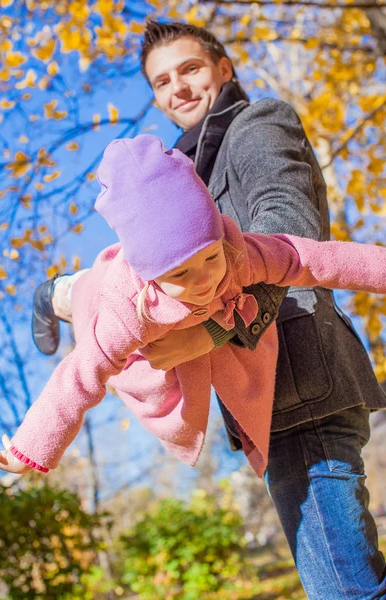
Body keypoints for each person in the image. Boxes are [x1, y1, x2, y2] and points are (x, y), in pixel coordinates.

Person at [29, 21, 386, 599]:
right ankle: (58, 294)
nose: (179, 88)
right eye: (162, 81)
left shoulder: (256, 124)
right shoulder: (185, 172)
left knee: (347, 591)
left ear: (224, 68)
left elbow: (286, 228)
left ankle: (56, 293)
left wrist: (214, 333)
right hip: (274, 397)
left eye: (190, 69)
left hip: (299, 381)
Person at [0, 134, 386, 481]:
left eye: (210, 258)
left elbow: (317, 259)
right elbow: (80, 375)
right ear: (153, 276)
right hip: (103, 295)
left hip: (176, 309)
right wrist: (30, 449)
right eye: (180, 273)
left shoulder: (238, 252)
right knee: (88, 302)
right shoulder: (128, 308)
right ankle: (55, 290)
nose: (204, 280)